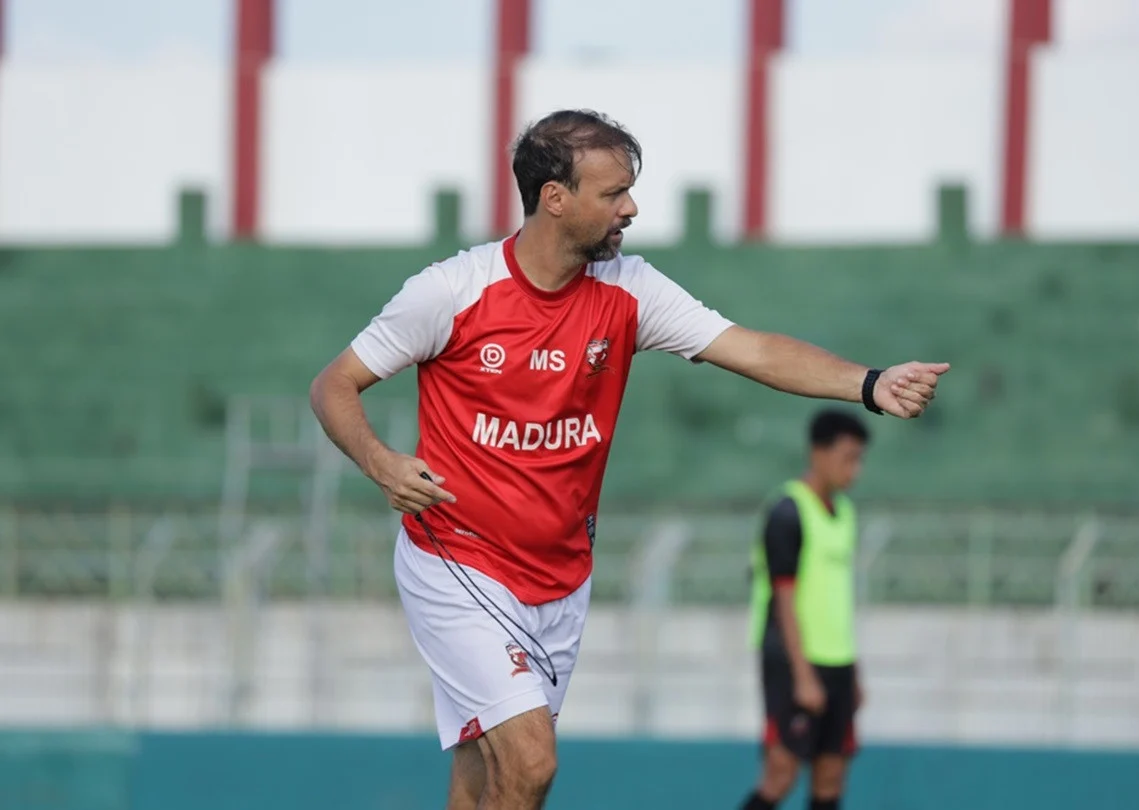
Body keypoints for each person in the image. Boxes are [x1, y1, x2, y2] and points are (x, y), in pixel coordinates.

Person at [309, 109, 948, 810]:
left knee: (484, 772)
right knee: (531, 762)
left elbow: (753, 349)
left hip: (559, 580)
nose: (631, 208)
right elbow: (334, 384)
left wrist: (870, 384)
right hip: (457, 563)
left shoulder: (630, 290)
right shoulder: (453, 292)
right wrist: (381, 464)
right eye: (614, 193)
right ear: (555, 198)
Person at [738, 409, 871, 810]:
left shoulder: (845, 513)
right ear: (818, 452)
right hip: (793, 661)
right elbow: (783, 597)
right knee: (782, 772)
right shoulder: (787, 512)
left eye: (859, 459)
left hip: (837, 661)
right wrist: (803, 675)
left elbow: (836, 599)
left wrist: (853, 673)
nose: (856, 470)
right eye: (848, 457)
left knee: (832, 775)